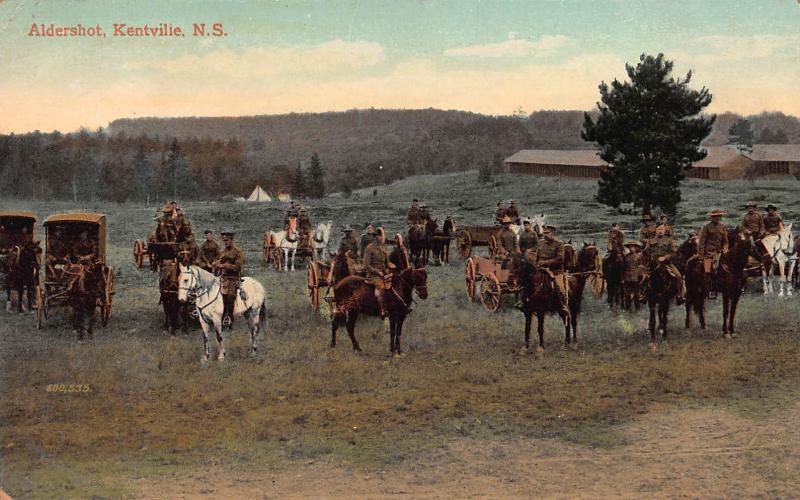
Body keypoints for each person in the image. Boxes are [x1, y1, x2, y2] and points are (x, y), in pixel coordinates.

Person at [644, 224, 685, 304]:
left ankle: (679, 296)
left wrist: (665, 257)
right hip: (653, 263)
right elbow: (646, 251)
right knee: (643, 277)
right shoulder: (651, 240)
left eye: (662, 229)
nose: (660, 231)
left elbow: (673, 252)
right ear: (656, 230)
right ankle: (643, 295)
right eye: (658, 229)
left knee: (679, 276)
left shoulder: (669, 240)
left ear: (664, 230)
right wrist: (651, 256)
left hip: (666, 263)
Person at [535, 225, 569, 315]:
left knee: (560, 287)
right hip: (541, 270)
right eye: (544, 233)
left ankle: (563, 306)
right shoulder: (541, 243)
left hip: (555, 271)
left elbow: (560, 259)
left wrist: (546, 262)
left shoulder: (559, 244)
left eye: (547, 233)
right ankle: (526, 303)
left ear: (553, 233)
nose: (545, 235)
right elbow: (537, 256)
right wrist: (537, 263)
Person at [213, 232, 245, 328]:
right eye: (224, 241)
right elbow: (221, 260)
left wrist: (225, 265)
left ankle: (230, 317)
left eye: (227, 240)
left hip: (233, 277)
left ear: (231, 240)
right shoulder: (223, 251)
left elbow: (238, 266)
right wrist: (216, 264)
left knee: (230, 296)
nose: (226, 242)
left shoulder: (238, 252)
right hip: (223, 277)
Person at [699, 209, 729, 299]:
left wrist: (725, 250)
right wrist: (701, 255)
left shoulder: (722, 227)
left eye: (718, 216)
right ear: (712, 217)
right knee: (707, 272)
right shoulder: (706, 227)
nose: (717, 218)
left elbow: (725, 241)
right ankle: (710, 290)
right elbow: (701, 242)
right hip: (709, 253)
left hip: (719, 253)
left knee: (727, 269)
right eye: (715, 216)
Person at [363, 227, 393, 318]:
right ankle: (383, 310)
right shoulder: (369, 248)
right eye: (377, 236)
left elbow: (386, 263)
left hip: (383, 274)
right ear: (374, 237)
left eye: (380, 236)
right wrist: (377, 272)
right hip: (373, 276)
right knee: (382, 287)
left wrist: (389, 267)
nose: (379, 238)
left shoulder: (383, 248)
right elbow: (366, 265)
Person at [622, 240, 644, 308]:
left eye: (633, 247)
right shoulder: (626, 257)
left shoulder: (639, 257)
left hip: (636, 278)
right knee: (627, 295)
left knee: (637, 295)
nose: (631, 248)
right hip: (627, 278)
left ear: (636, 248)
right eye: (630, 247)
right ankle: (628, 309)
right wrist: (622, 278)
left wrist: (640, 275)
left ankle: (637, 309)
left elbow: (641, 266)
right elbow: (623, 267)